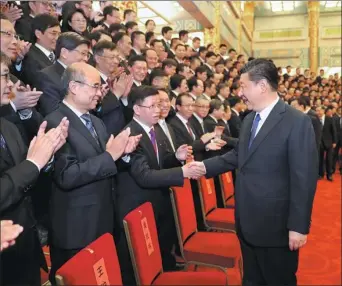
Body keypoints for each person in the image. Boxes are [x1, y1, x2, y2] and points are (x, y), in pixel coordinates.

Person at [189, 59, 318, 285]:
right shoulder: (249, 119)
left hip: (277, 226)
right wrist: (204, 167)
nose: (240, 93)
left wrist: (298, 226)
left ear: (262, 86)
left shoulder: (297, 121)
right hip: (247, 222)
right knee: (252, 280)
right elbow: (240, 155)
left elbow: (304, 179)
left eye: (243, 86)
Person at [45, 62, 141, 283]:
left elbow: (105, 165)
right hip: (77, 226)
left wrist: (122, 154)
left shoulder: (96, 121)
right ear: (74, 87)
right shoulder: (56, 122)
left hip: (103, 219)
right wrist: (110, 156)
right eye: (96, 87)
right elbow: (66, 176)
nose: (100, 93)